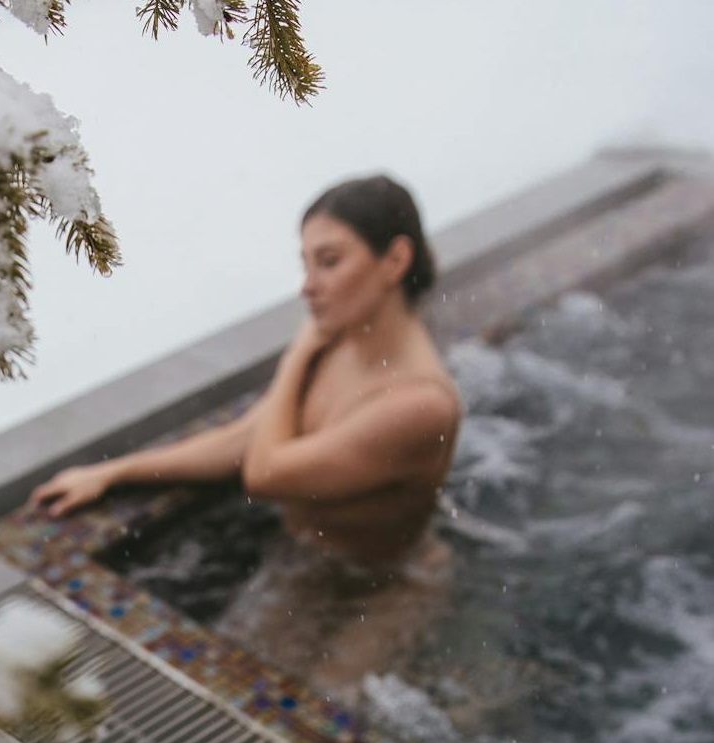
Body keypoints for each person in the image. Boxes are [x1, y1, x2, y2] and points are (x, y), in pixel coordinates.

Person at [30, 175, 461, 697]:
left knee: (314, 715)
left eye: (329, 261)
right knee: (230, 682)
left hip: (379, 586)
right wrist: (113, 472)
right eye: (305, 264)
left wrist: (297, 357)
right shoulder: (343, 340)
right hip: (304, 557)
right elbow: (243, 441)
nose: (307, 285)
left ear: (394, 261)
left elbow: (264, 472)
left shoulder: (420, 404)